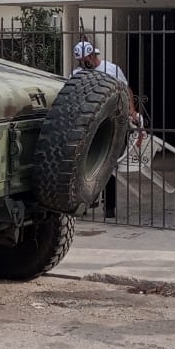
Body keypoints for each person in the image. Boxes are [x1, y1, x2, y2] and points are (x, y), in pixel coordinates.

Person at [72, 39, 139, 221]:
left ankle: (109, 207)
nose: (84, 64)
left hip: (111, 123)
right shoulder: (77, 74)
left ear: (93, 55)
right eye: (81, 61)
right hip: (88, 125)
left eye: (86, 60)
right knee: (84, 166)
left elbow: (126, 90)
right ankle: (84, 204)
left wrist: (131, 111)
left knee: (109, 164)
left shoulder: (111, 69)